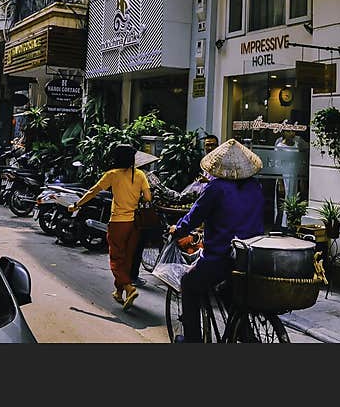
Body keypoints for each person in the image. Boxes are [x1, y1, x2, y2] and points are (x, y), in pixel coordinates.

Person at [170, 138, 265, 343]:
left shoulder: (216, 188)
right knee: (228, 289)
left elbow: (194, 217)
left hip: (220, 256)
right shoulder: (256, 187)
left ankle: (193, 340)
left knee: (189, 282)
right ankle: (242, 330)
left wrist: (178, 229)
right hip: (251, 256)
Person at [69, 143, 152, 309]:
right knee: (127, 258)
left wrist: (77, 205)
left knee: (115, 258)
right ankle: (119, 292)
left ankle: (129, 288)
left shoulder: (112, 174)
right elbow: (148, 198)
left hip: (118, 222)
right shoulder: (140, 174)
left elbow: (93, 191)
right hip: (134, 223)